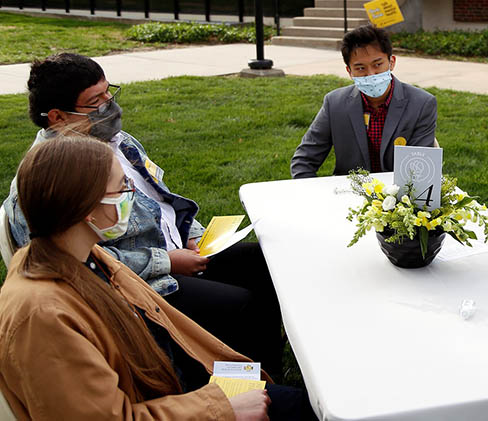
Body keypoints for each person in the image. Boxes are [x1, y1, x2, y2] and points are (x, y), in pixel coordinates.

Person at [2, 53, 283, 377]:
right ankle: (244, 386)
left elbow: (162, 201)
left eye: (109, 92)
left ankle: (269, 372)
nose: (110, 105)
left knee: (265, 263)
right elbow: (72, 264)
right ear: (58, 117)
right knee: (240, 304)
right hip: (137, 282)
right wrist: (168, 261)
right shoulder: (49, 178)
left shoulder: (118, 142)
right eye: (96, 101)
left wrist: (194, 235)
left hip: (180, 253)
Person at [0, 135, 317, 420]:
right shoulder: (41, 318)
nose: (131, 197)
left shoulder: (84, 255)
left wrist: (233, 374)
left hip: (170, 380)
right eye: (123, 188)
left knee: (296, 399)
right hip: (171, 400)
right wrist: (223, 406)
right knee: (301, 408)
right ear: (87, 209)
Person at [290, 24, 437, 178]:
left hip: (400, 195)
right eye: (360, 68)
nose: (370, 74)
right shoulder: (334, 104)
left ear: (391, 62)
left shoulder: (421, 104)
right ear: (349, 71)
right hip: (348, 193)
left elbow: (421, 169)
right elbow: (304, 160)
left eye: (378, 64)